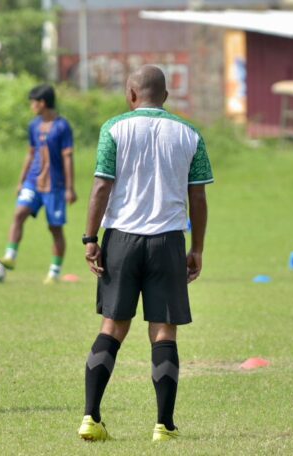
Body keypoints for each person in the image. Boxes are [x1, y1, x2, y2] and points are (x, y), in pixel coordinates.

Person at [77, 65, 213, 442]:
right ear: (165, 97)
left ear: (130, 94)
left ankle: (91, 417)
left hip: (120, 239)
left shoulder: (113, 129)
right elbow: (198, 196)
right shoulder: (190, 134)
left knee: (112, 327)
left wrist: (91, 237)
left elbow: (101, 187)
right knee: (163, 331)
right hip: (168, 241)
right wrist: (196, 247)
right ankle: (163, 427)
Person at [0, 84, 76, 284]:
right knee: (19, 213)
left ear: (42, 103)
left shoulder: (62, 127)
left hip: (55, 186)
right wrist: (21, 180)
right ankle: (10, 255)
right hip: (33, 182)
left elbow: (67, 158)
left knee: (55, 229)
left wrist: (70, 188)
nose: (31, 106)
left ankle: (55, 271)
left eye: (33, 102)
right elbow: (31, 153)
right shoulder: (33, 125)